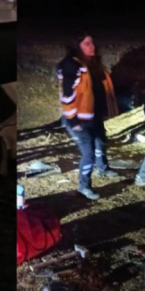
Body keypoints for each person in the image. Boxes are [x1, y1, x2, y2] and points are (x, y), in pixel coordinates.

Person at [57, 33, 120, 200]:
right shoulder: (71, 65)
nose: (92, 46)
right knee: (88, 153)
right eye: (87, 43)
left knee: (101, 141)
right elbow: (66, 96)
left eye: (92, 42)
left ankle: (103, 168)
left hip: (93, 115)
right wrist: (73, 120)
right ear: (77, 46)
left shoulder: (92, 63)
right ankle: (84, 186)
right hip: (79, 119)